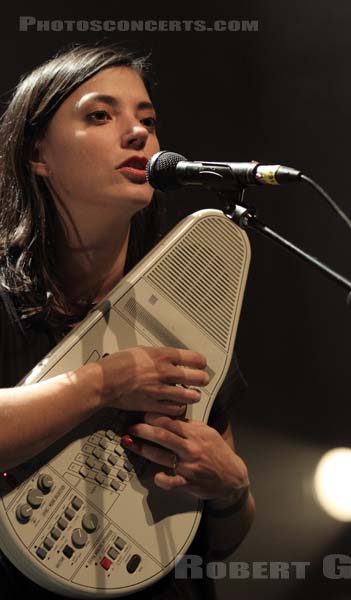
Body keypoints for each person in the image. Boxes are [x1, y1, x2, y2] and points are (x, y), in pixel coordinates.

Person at [0, 43, 256, 599]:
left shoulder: (191, 311)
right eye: (100, 115)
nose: (138, 133)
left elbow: (218, 541)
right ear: (36, 153)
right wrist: (104, 382)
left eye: (148, 120)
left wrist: (232, 489)